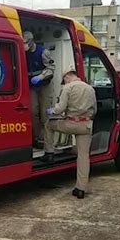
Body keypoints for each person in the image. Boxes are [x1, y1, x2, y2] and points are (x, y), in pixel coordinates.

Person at [43, 67, 97, 199]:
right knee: (83, 157)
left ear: (67, 77)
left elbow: (60, 108)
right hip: (86, 125)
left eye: (64, 80)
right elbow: (94, 110)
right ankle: (80, 189)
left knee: (48, 125)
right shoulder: (90, 88)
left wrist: (51, 111)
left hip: (71, 124)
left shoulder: (68, 88)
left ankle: (49, 152)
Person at [23, 31, 55, 147]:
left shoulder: (43, 52)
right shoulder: (22, 52)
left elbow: (51, 68)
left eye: (25, 43)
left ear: (31, 42)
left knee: (45, 113)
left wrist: (40, 77)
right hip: (32, 85)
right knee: (33, 112)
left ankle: (47, 140)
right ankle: (35, 137)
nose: (23, 45)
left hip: (44, 85)